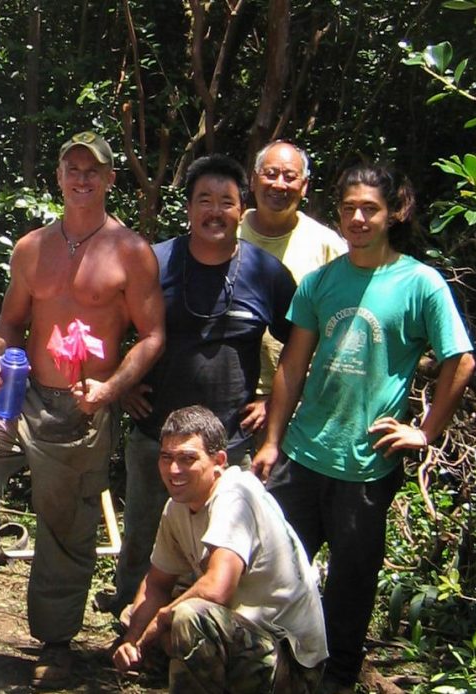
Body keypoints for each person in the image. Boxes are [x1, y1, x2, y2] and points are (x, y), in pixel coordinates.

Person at [0, 131, 166, 688]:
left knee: (67, 523)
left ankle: (56, 642)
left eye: (94, 171)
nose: (82, 179)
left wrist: (110, 389)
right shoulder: (32, 247)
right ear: (60, 176)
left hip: (81, 408)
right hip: (21, 396)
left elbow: (153, 335)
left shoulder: (131, 252)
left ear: (110, 179)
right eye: (73, 168)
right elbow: (12, 322)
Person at [252, 163, 476, 692]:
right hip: (304, 454)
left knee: (351, 585)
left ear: (394, 212)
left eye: (369, 209)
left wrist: (424, 430)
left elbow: (459, 360)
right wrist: (272, 442)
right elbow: (292, 366)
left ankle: (338, 678)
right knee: (285, 574)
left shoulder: (420, 283)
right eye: (349, 207)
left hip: (367, 464)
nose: (357, 218)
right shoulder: (322, 282)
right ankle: (283, 675)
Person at [101, 154, 296, 616]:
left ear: (241, 210)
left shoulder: (267, 274)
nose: (214, 211)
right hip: (155, 434)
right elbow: (109, 323)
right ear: (188, 208)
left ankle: (201, 635)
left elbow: (302, 344)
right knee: (142, 536)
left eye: (225, 202)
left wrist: (272, 400)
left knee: (226, 546)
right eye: (203, 200)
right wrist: (119, 383)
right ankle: (127, 625)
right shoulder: (156, 261)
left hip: (231, 442)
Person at [112, 406, 327, 692]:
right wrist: (133, 640)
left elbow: (217, 589)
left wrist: (161, 621)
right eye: (167, 458)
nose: (174, 470)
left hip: (289, 660)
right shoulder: (177, 507)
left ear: (219, 461)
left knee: (188, 618)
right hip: (243, 639)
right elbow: (156, 583)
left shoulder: (235, 496)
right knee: (137, 614)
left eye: (188, 459)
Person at [239, 140, 346, 400]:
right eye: (271, 174)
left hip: (298, 399)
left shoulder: (327, 245)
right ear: (253, 180)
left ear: (305, 185)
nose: (279, 184)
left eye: (290, 177)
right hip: (229, 392)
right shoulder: (227, 233)